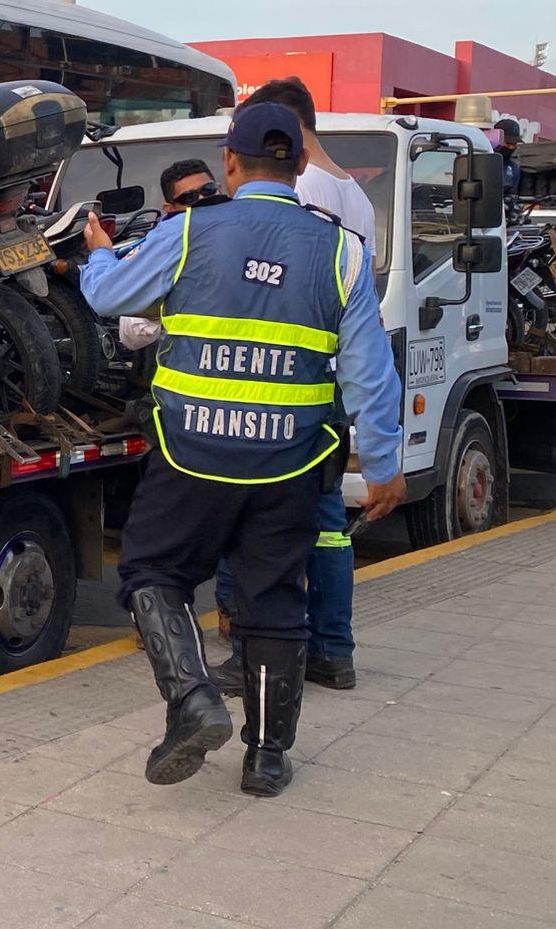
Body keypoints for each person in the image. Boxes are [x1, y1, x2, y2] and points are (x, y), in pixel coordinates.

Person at [79, 102, 404, 797]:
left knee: (153, 571)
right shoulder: (342, 251)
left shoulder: (189, 231)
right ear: (299, 165)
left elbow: (108, 298)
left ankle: (193, 698)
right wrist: (383, 465)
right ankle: (266, 758)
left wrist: (99, 249)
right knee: (274, 601)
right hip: (290, 462)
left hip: (191, 453)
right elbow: (370, 373)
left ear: (230, 162)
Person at [212, 77, 373, 694]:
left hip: (280, 377)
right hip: (328, 378)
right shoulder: (353, 193)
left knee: (256, 517)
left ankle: (255, 652)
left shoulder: (300, 190)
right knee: (326, 520)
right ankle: (333, 649)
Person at [117, 159, 219, 351]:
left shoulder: (251, 228)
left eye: (208, 190)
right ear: (169, 209)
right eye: (189, 198)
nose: (202, 200)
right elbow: (132, 333)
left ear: (219, 189)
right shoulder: (165, 246)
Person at [495, 118, 523, 194]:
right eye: (508, 143)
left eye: (514, 144)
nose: (512, 147)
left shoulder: (514, 168)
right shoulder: (482, 163)